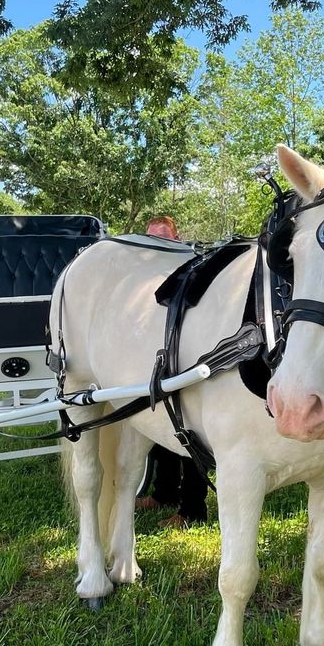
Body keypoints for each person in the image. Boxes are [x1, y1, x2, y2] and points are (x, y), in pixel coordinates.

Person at [136, 215, 211, 527]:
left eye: (165, 238)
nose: (159, 245)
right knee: (158, 430)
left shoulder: (194, 270)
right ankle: (164, 493)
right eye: (153, 239)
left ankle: (193, 510)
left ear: (177, 239)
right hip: (155, 362)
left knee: (189, 437)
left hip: (190, 361)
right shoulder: (139, 278)